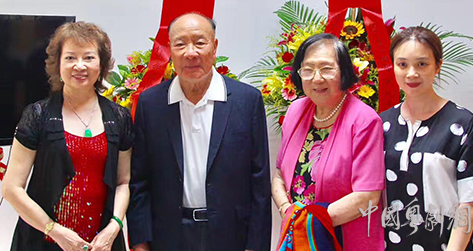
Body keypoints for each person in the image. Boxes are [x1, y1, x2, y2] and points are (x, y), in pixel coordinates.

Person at [127, 13, 271, 251]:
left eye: (199, 42)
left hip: (230, 236)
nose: (190, 52)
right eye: (180, 44)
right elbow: (140, 180)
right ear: (170, 51)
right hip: (168, 237)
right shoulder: (151, 104)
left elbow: (259, 181)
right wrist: (140, 242)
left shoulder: (246, 101)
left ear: (214, 47)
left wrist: (255, 246)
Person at [2, 22, 133, 251]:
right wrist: (54, 231)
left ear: (101, 65)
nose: (79, 66)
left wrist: (114, 226)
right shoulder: (38, 115)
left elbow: (123, 182)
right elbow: (11, 188)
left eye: (89, 58)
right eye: (70, 57)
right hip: (43, 241)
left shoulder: (119, 117)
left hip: (102, 244)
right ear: (58, 64)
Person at [381, 26, 473, 250]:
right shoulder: (382, 124)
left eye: (422, 64)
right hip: (393, 243)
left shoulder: (462, 123)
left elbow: (470, 203)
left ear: (438, 66)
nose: (411, 73)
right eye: (402, 64)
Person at [272, 33, 385, 251]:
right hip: (296, 238)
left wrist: (310, 223)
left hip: (343, 240)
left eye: (326, 68)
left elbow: (368, 197)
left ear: (344, 72)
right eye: (308, 69)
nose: (317, 78)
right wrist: (288, 212)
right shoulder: (296, 110)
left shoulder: (365, 120)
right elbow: (279, 175)